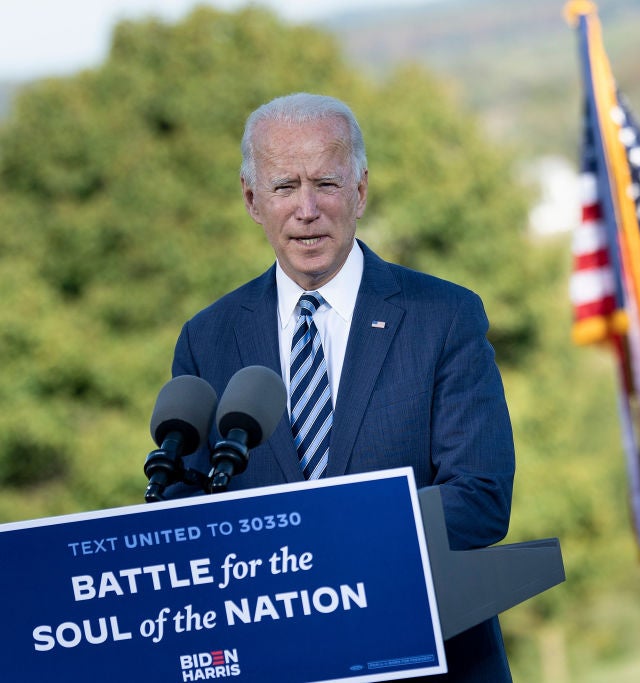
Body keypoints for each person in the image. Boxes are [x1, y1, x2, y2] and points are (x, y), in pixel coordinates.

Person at [168, 92, 516, 681]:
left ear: (360, 191)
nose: (307, 209)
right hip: (279, 662)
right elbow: (183, 514)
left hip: (432, 659)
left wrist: (323, 550)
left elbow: (479, 499)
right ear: (252, 200)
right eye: (284, 187)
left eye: (326, 183)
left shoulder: (443, 316)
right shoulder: (208, 339)